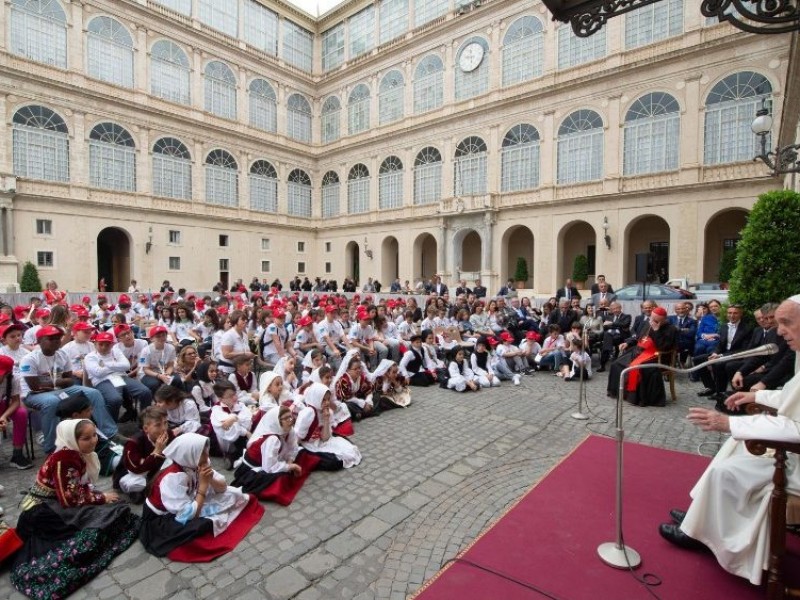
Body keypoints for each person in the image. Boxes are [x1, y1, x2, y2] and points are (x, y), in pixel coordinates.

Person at [659, 296, 800, 586]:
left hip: (795, 462)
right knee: (733, 447)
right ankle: (701, 515)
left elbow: (796, 426)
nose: (780, 331)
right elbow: (790, 397)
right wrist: (756, 396)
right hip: (791, 446)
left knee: (728, 469)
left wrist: (730, 423)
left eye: (786, 323)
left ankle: (704, 534)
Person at [11, 420, 140, 598]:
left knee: (116, 511)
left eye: (94, 435)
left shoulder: (75, 454)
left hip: (57, 504)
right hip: (44, 512)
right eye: (86, 438)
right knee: (103, 524)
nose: (93, 441)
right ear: (72, 439)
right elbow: (70, 499)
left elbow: (76, 488)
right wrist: (101, 497)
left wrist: (99, 497)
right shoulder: (65, 459)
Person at [139, 432, 262, 561]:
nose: (206, 455)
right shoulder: (173, 478)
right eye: (202, 453)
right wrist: (203, 485)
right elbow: (187, 515)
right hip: (163, 518)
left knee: (234, 494)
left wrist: (209, 480)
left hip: (192, 501)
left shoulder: (197, 462)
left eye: (205, 451)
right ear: (189, 454)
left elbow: (222, 487)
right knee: (200, 527)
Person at [21, 325, 123, 454]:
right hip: (34, 394)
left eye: (58, 338)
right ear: (39, 341)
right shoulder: (30, 359)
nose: (56, 341)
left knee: (93, 393)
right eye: (51, 338)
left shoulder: (62, 354)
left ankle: (109, 433)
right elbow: (35, 386)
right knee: (52, 402)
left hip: (58, 390)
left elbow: (69, 381)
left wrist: (49, 381)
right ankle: (52, 448)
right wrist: (58, 381)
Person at [230, 405, 321, 504]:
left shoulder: (289, 430)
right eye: (286, 418)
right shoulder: (272, 439)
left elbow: (293, 448)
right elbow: (269, 468)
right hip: (254, 469)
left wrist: (290, 461)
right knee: (280, 477)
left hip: (271, 462)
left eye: (291, 416)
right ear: (277, 421)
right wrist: (289, 467)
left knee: (302, 452)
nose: (290, 420)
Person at [606, 306, 678, 406]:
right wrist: (627, 343)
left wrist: (656, 331)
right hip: (638, 352)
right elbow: (638, 337)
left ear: (663, 320)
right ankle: (621, 393)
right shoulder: (647, 324)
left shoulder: (671, 329)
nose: (652, 321)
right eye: (652, 319)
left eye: (655, 320)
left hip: (657, 357)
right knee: (616, 364)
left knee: (638, 368)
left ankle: (637, 398)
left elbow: (663, 347)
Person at [112, 405, 174, 504]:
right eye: (158, 425)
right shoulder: (134, 443)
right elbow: (137, 470)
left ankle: (152, 486)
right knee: (135, 483)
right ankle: (135, 492)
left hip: (156, 470)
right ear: (146, 428)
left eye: (166, 423)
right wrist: (156, 451)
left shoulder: (169, 434)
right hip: (136, 473)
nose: (164, 428)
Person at [295, 382, 362, 469]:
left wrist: (326, 419)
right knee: (333, 461)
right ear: (316, 398)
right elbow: (297, 437)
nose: (327, 403)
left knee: (351, 450)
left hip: (321, 442)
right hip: (308, 444)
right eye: (323, 400)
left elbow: (325, 438)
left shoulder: (327, 411)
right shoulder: (308, 413)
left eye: (328, 399)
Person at [0, 354, 32, 469]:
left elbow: (15, 402)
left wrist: (4, 417)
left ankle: (17, 455)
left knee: (21, 413)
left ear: (8, 373)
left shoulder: (13, 379)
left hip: (3, 405)